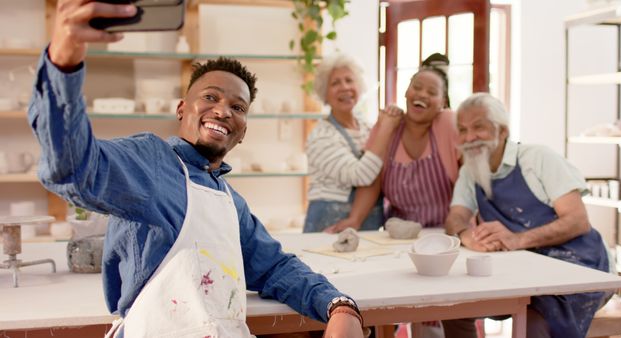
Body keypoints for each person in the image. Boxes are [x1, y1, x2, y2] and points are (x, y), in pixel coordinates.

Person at [30, 2, 364, 337]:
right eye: (210, 98)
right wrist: (63, 62)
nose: (222, 111)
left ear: (243, 130)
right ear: (182, 109)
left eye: (237, 107)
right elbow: (73, 168)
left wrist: (338, 305)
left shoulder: (229, 202)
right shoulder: (152, 163)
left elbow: (274, 267)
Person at [445, 93, 610, 338]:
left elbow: (578, 221)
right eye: (463, 130)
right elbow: (454, 217)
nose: (469, 138)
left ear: (502, 131)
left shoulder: (538, 158)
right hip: (520, 267)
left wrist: (517, 239)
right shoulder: (471, 170)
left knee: (534, 323)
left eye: (478, 127)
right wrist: (466, 235)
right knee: (454, 308)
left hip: (577, 263)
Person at [325, 54, 460, 234]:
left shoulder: (448, 123)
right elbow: (373, 180)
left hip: (447, 233)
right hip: (398, 235)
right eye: (417, 87)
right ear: (406, 92)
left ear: (443, 102)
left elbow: (469, 179)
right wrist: (355, 219)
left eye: (432, 92)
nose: (422, 94)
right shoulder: (388, 126)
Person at [304, 53, 402, 233]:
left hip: (368, 223)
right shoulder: (321, 136)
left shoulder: (366, 127)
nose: (345, 87)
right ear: (324, 92)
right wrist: (386, 129)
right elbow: (361, 175)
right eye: (335, 83)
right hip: (330, 224)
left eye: (349, 80)